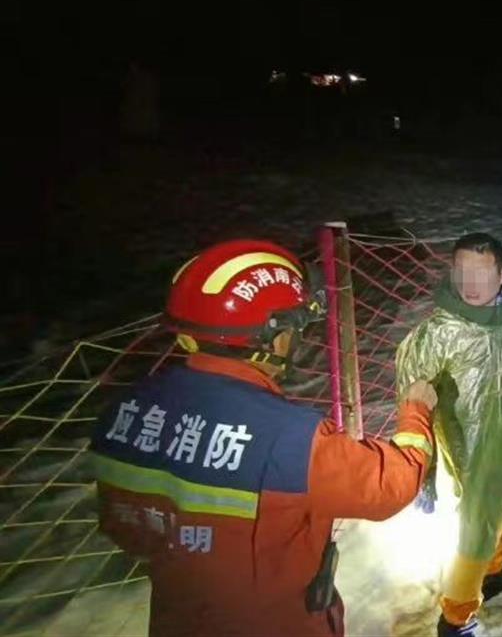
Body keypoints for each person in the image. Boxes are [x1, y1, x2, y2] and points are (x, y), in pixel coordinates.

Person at [91, 240, 437, 637]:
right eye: (294, 328)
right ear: (270, 337)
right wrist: (416, 412)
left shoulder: (126, 413)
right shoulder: (290, 437)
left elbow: (122, 528)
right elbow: (389, 487)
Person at [393, 233, 502, 637]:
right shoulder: (438, 333)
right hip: (468, 456)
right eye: (462, 271)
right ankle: (456, 619)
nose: (470, 283)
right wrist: (422, 471)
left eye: (481, 272)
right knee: (473, 531)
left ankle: (492, 580)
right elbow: (412, 401)